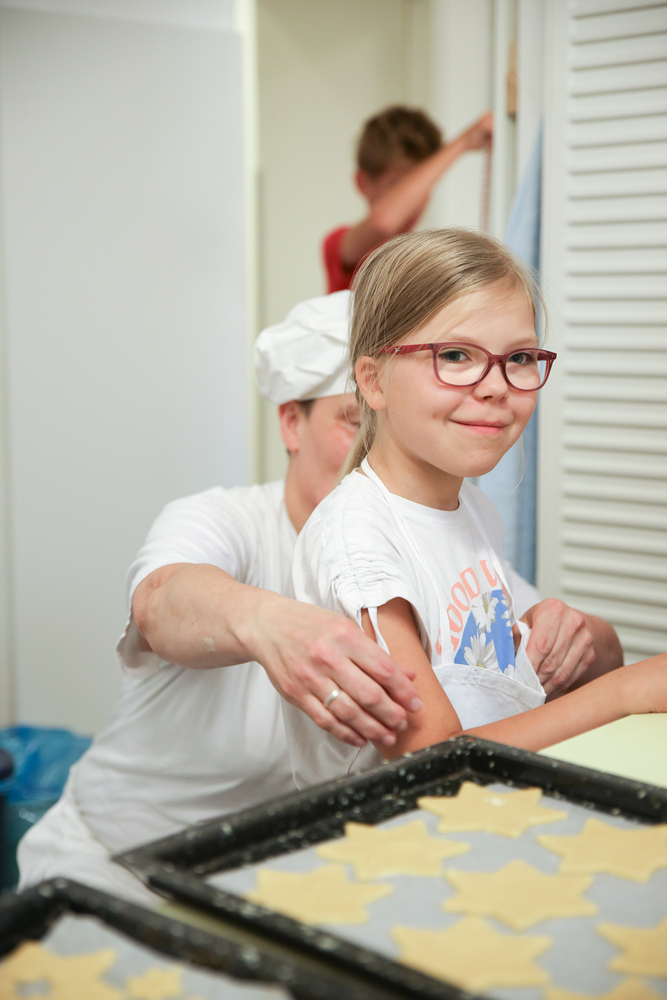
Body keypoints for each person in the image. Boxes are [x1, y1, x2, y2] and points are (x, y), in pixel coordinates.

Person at [17, 291, 615, 905]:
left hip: (282, 884)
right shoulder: (230, 521)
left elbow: (574, 653)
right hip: (120, 873)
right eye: (355, 420)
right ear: (292, 423)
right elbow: (161, 600)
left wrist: (574, 633)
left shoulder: (439, 534)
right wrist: (267, 621)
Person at [283, 228, 655, 791]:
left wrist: (530, 646)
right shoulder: (358, 542)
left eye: (520, 358)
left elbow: (477, 681)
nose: (496, 387)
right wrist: (624, 694)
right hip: (393, 836)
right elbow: (433, 762)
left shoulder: (472, 509)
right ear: (372, 381)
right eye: (455, 355)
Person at [323, 105, 492, 294]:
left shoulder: (423, 257)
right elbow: (383, 222)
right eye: (399, 185)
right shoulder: (337, 245)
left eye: (422, 184)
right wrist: (463, 142)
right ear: (363, 183)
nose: (414, 201)